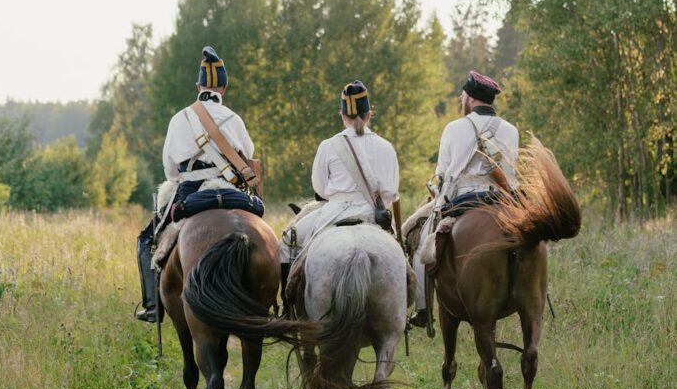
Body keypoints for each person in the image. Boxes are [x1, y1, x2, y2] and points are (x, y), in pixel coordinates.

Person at [135, 45, 258, 323]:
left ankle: (153, 306)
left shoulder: (180, 119)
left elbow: (170, 170)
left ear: (199, 86)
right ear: (223, 88)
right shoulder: (234, 119)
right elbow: (248, 158)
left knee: (147, 240)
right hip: (229, 189)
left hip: (190, 189)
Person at [409, 70, 519, 328]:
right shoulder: (511, 130)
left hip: (461, 199)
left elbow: (441, 173)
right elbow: (511, 172)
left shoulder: (454, 128)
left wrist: (436, 192)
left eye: (462, 96)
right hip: (501, 199)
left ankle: (423, 310)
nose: (461, 100)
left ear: (469, 98)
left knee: (422, 245)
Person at [279, 80, 399, 305]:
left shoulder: (328, 146)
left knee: (287, 242)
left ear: (343, 115)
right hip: (373, 214)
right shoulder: (385, 146)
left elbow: (319, 188)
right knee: (403, 257)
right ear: (369, 114)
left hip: (332, 212)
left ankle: (287, 307)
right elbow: (391, 193)